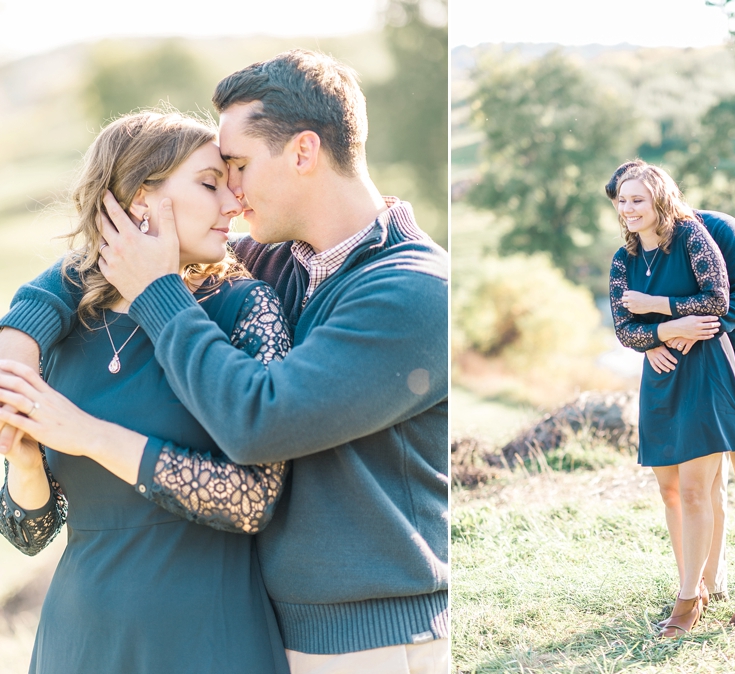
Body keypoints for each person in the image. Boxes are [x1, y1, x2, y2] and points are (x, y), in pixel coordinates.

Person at [0, 49, 449, 674]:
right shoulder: (283, 260)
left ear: (302, 152)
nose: (233, 196)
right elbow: (103, 260)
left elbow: (259, 423)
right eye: (217, 176)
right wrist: (19, 338)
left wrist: (152, 303)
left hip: (373, 641)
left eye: (234, 167)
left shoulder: (414, 291)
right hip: (258, 625)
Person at [0, 110, 293, 674]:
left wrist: (85, 435)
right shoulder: (66, 323)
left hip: (208, 636)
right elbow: (28, 533)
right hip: (78, 641)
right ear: (140, 200)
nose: (234, 203)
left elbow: (253, 499)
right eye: (210, 184)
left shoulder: (244, 308)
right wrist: (27, 460)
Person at [607, 160, 735, 626]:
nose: (630, 209)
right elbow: (632, 324)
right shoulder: (634, 251)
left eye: (640, 199)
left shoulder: (718, 231)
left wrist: (696, 332)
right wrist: (659, 338)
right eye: (623, 201)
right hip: (681, 370)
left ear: (664, 195)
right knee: (703, 484)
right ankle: (707, 584)